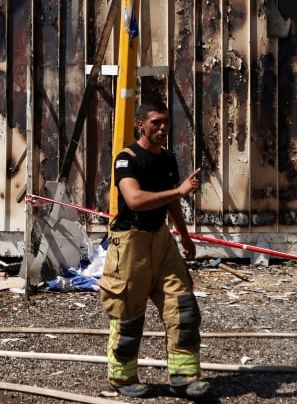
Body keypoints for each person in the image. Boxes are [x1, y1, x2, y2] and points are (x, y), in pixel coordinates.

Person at [98, 99, 210, 400]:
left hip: (161, 240)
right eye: (155, 122)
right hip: (130, 243)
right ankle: (121, 377)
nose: (162, 128)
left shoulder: (167, 159)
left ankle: (184, 377)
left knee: (183, 307)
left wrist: (185, 237)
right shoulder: (127, 159)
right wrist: (179, 190)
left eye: (165, 122)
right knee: (128, 314)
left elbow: (171, 202)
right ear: (141, 125)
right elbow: (134, 199)